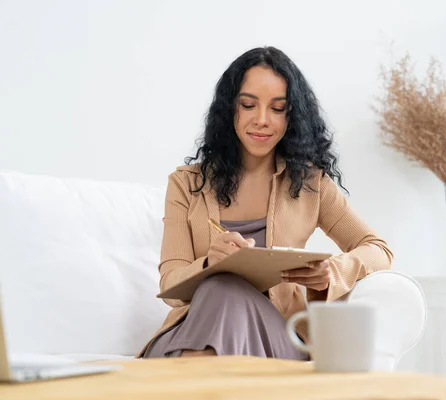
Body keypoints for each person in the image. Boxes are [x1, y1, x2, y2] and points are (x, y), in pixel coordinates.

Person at [137, 46, 393, 360]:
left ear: (291, 117)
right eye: (248, 105)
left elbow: (379, 250)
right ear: (230, 109)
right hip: (198, 326)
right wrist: (209, 265)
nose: (262, 120)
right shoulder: (186, 184)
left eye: (277, 108)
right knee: (221, 286)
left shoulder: (311, 184)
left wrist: (331, 271)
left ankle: (194, 378)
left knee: (225, 289)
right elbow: (170, 285)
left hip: (274, 337)